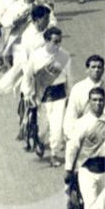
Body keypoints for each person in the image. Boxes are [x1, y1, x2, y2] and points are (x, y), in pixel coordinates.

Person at [64, 86, 105, 209]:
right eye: (95, 100)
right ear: (89, 102)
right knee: (91, 206)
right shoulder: (81, 124)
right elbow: (72, 147)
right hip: (88, 170)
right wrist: (68, 169)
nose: (98, 103)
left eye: (101, 100)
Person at [22, 24, 70, 165]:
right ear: (47, 41)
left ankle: (54, 155)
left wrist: (70, 95)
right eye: (55, 41)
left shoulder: (64, 56)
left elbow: (69, 78)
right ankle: (40, 141)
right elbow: (28, 76)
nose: (58, 45)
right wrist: (27, 94)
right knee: (42, 127)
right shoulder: (36, 56)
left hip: (60, 94)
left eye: (59, 41)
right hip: (42, 95)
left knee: (57, 128)